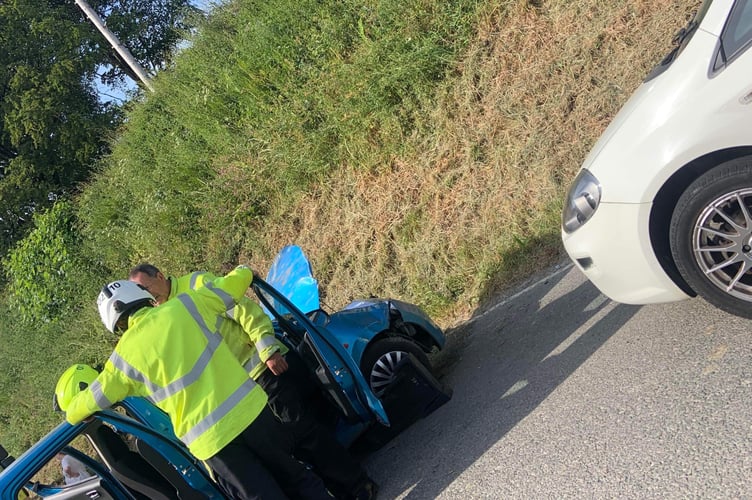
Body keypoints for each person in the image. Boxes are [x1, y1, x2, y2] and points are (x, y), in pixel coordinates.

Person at [57, 267, 332, 500]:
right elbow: (231, 287)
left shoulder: (121, 362)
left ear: (113, 322)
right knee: (297, 475)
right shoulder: (186, 304)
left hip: (212, 443)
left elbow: (87, 403)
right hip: (252, 414)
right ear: (140, 296)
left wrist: (70, 412)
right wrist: (244, 271)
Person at [129, 264, 378, 500]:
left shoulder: (197, 285)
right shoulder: (162, 320)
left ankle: (358, 485)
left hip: (263, 370)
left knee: (304, 435)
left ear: (160, 276)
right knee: (289, 450)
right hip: (244, 396)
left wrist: (267, 349)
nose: (147, 297)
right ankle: (341, 490)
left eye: (146, 287)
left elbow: (244, 310)